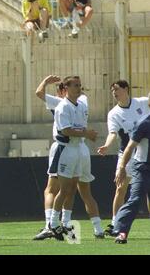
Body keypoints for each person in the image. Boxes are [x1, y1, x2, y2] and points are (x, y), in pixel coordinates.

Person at [34, 75, 104, 240]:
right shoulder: (61, 105)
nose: (79, 88)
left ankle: (61, 224)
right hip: (66, 147)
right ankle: (55, 224)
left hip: (77, 148)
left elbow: (40, 93)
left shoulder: (79, 103)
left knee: (71, 189)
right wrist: (87, 133)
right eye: (75, 86)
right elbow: (65, 130)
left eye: (80, 85)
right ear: (65, 90)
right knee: (65, 189)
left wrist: (47, 82)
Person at [97, 80, 150, 236]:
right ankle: (115, 223)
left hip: (144, 151)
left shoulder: (141, 102)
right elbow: (112, 133)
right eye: (112, 90)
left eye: (117, 89)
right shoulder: (114, 113)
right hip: (127, 152)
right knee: (121, 187)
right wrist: (107, 145)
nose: (114, 92)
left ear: (126, 89)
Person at [114, 102, 150, 244]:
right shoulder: (144, 123)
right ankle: (121, 231)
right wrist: (122, 167)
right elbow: (129, 147)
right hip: (142, 167)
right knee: (135, 199)